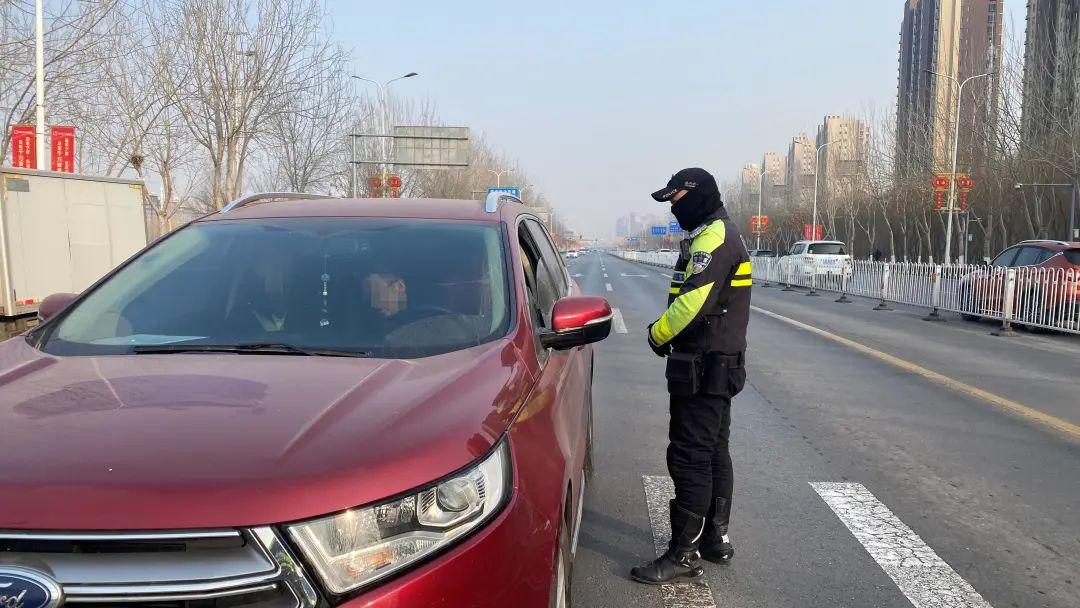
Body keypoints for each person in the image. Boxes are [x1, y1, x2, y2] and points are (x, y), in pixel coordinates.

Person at [630, 167, 751, 585]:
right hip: (719, 363)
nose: (673, 207)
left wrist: (656, 334)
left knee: (691, 456)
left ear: (696, 194)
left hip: (703, 364)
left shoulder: (714, 238)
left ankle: (684, 553)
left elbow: (692, 303)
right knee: (715, 450)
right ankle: (714, 539)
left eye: (675, 199)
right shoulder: (718, 232)